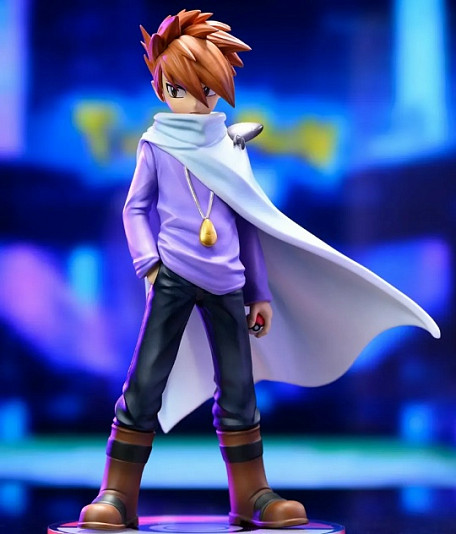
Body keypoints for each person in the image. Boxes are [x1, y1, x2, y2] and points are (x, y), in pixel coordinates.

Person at [79, 9, 439, 531]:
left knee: (239, 389)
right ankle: (117, 493)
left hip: (227, 282)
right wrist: (148, 264)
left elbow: (248, 221)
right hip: (172, 277)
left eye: (203, 89)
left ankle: (251, 494)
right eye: (178, 88)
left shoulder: (230, 148)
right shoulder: (156, 145)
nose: (191, 100)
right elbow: (135, 209)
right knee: (146, 381)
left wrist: (260, 292)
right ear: (160, 88)